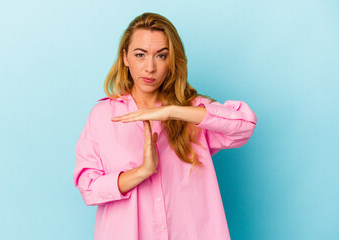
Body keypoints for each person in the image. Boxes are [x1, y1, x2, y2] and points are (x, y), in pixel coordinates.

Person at [73, 12, 257, 240]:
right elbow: (88, 188)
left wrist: (172, 111)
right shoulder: (102, 116)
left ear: (172, 61)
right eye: (140, 55)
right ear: (125, 57)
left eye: (161, 56)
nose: (149, 67)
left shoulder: (193, 112)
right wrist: (142, 172)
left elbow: (244, 124)